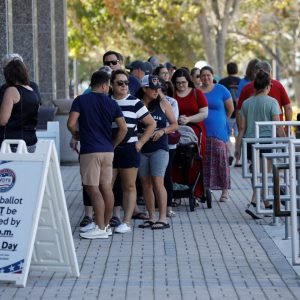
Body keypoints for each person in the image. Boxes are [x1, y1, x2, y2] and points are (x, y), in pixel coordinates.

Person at [67, 70, 128, 239]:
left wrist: (77, 135)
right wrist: (113, 144)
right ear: (103, 85)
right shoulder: (112, 103)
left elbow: (71, 123)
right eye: (108, 85)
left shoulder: (80, 100)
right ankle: (106, 226)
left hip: (90, 150)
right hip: (108, 151)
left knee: (92, 189)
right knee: (106, 188)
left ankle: (100, 227)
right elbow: (123, 128)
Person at [235, 70, 285, 219]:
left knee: (257, 173)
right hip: (267, 142)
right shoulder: (272, 102)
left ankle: (265, 203)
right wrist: (285, 141)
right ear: (268, 86)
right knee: (264, 174)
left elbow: (242, 128)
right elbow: (278, 126)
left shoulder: (246, 103)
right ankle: (254, 202)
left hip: (251, 142)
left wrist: (238, 147)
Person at [110, 69, 156, 233]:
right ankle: (107, 220)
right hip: (110, 149)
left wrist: (140, 143)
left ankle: (126, 221)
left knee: (129, 185)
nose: (124, 86)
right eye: (120, 83)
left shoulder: (135, 102)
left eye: (126, 83)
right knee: (108, 185)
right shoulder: (107, 101)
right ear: (111, 85)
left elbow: (151, 124)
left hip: (129, 148)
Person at [137, 75, 178, 230]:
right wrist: (140, 135)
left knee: (158, 182)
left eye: (158, 88)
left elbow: (174, 125)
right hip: (142, 148)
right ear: (144, 88)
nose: (156, 91)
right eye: (153, 88)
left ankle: (163, 217)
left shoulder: (163, 103)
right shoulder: (137, 104)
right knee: (145, 184)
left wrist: (163, 131)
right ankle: (151, 216)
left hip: (159, 148)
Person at [171, 68, 208, 199]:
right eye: (178, 83)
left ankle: (196, 192)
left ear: (188, 81)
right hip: (176, 130)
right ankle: (176, 191)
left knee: (194, 160)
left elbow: (204, 113)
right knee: (175, 159)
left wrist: (189, 119)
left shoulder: (196, 93)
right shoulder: (172, 94)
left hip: (195, 131)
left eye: (183, 82)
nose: (181, 85)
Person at [199, 66, 234, 202]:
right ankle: (206, 188)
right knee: (205, 160)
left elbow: (230, 108)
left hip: (219, 130)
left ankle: (225, 191)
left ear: (212, 76)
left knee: (221, 160)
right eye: (203, 75)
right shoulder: (198, 91)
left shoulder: (221, 89)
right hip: (203, 130)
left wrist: (222, 120)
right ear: (200, 77)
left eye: (208, 75)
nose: (206, 78)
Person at [0, 58, 40, 152]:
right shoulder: (32, 90)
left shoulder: (11, 91)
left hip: (12, 144)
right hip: (31, 141)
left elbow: (2, 120)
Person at [237, 61, 292, 125]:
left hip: (253, 132)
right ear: (270, 72)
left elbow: (239, 112)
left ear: (255, 74)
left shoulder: (246, 88)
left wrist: (241, 131)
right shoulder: (278, 86)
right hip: (275, 131)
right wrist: (287, 128)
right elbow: (288, 108)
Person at [159, 79, 179, 217]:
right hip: (151, 142)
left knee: (166, 175)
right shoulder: (146, 102)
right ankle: (155, 206)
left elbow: (173, 121)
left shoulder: (171, 102)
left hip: (168, 143)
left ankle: (168, 207)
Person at [218, 62, 241, 166]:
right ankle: (238, 160)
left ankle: (229, 154)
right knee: (238, 136)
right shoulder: (241, 82)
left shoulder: (222, 82)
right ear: (236, 69)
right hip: (240, 114)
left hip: (227, 113)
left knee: (226, 135)